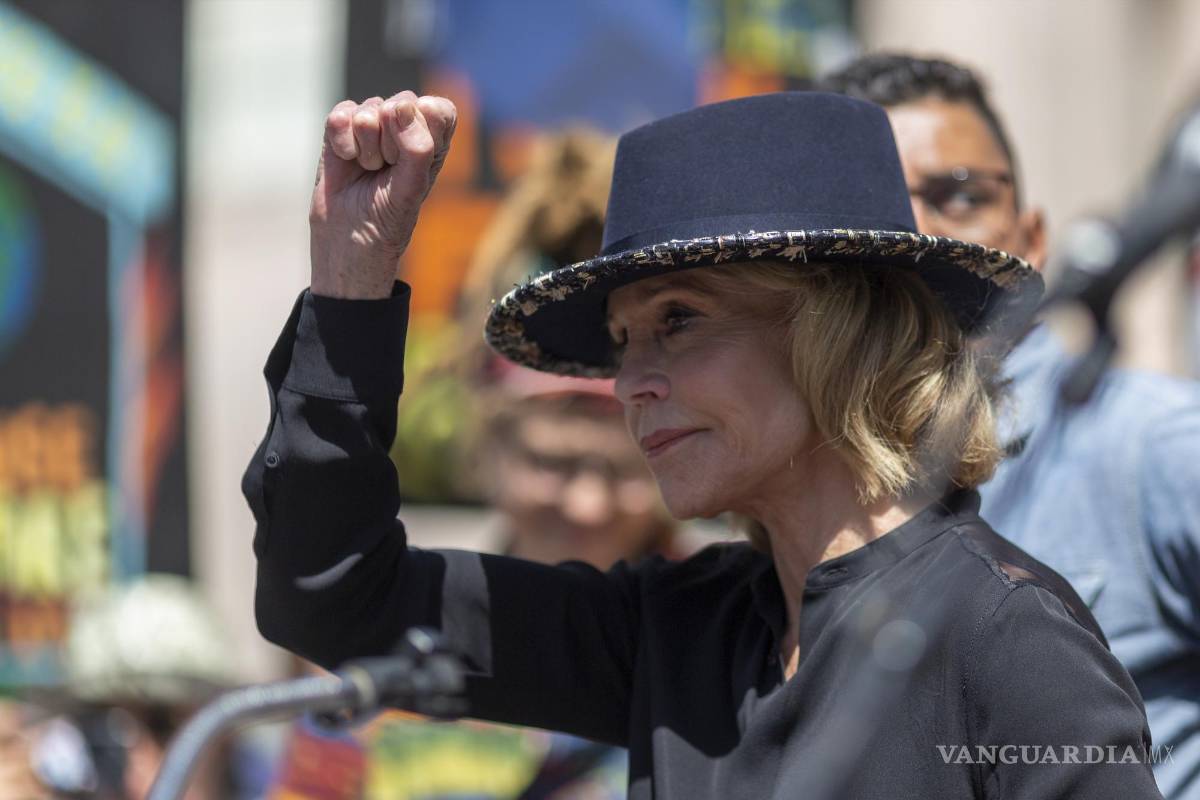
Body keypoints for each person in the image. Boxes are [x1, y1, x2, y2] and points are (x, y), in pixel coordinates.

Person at [245, 89, 1164, 798]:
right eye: (623, 339)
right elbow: (333, 601)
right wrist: (351, 281)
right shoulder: (675, 629)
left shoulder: (1008, 638)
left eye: (679, 319)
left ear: (836, 331)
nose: (631, 382)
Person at [821, 53, 1200, 799]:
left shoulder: (1150, 442)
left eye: (958, 197)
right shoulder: (808, 485)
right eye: (879, 209)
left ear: (1030, 237)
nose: (921, 234)